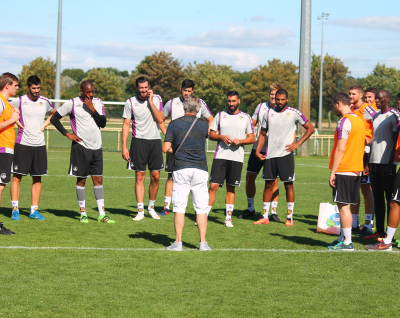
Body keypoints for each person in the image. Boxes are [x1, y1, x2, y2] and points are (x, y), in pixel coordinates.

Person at [50, 80, 115, 223]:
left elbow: (102, 123)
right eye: (88, 92)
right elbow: (54, 118)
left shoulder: (97, 102)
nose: (91, 95)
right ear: (81, 92)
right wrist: (68, 134)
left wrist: (92, 108)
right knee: (82, 180)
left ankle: (102, 215)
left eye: (92, 92)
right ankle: (83, 213)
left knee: (98, 179)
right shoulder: (72, 103)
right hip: (81, 147)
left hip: (97, 147)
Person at [255, 89, 314, 226]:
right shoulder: (268, 113)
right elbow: (262, 134)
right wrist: (258, 151)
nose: (280, 102)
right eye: (277, 99)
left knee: (288, 185)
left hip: (286, 155)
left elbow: (310, 128)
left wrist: (297, 144)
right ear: (274, 99)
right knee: (268, 184)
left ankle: (289, 217)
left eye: (282, 99)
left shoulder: (293, 113)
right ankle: (264, 216)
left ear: (287, 99)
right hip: (270, 155)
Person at [162, 95, 211, 251]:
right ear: (198, 109)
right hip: (200, 168)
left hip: (181, 168)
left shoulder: (174, 124)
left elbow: (165, 148)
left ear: (184, 107)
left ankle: (178, 242)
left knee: (179, 206)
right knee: (201, 208)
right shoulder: (204, 125)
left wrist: (175, 150)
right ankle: (203, 242)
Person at [158, 79, 213, 216]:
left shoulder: (199, 103)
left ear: (193, 91)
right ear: (180, 89)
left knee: (192, 181)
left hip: (193, 148)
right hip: (176, 149)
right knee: (171, 177)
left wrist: (204, 135)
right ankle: (166, 207)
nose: (187, 94)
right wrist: (168, 137)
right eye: (184, 91)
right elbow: (161, 120)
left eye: (189, 91)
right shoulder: (171, 103)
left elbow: (211, 119)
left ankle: (195, 209)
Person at [9, 75, 56, 220]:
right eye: (34, 88)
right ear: (28, 87)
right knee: (17, 177)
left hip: (39, 145)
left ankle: (34, 211)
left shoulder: (45, 101)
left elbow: (55, 114)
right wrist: (16, 122)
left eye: (38, 88)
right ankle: (15, 209)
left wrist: (45, 124)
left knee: (37, 178)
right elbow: (6, 110)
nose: (36, 91)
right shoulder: (20, 100)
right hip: (22, 144)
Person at [208, 91, 255, 227]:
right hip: (220, 156)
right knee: (213, 186)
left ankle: (228, 218)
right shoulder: (220, 115)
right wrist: (221, 137)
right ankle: (204, 214)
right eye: (229, 101)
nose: (231, 103)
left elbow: (252, 138)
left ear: (238, 101)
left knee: (231, 187)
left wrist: (240, 141)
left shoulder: (246, 117)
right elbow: (211, 134)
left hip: (236, 158)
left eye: (233, 101)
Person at [121, 76, 165, 221]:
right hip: (138, 142)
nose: (144, 90)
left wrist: (151, 102)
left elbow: (160, 119)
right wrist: (124, 146)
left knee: (156, 177)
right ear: (136, 88)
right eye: (141, 88)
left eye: (146, 87)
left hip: (155, 142)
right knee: (139, 176)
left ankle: (151, 208)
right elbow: (126, 125)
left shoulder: (157, 99)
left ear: (149, 87)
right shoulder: (130, 102)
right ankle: (140, 211)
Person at [327, 92, 366, 251]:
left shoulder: (344, 121)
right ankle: (342, 237)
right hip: (356, 168)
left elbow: (340, 149)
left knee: (343, 207)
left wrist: (333, 171)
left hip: (345, 169)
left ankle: (347, 242)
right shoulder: (359, 120)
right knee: (346, 205)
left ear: (338, 104)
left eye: (334, 106)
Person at [240, 83, 283, 222]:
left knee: (273, 181)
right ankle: (250, 208)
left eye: (275, 95)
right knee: (249, 177)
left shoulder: (282, 109)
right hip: (258, 148)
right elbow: (252, 124)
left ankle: (273, 212)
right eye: (271, 93)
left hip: (274, 150)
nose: (273, 96)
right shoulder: (260, 107)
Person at [363, 90, 400, 239]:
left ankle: (389, 234)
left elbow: (395, 141)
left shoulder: (394, 116)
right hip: (374, 163)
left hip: (387, 164)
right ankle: (379, 231)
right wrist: (368, 162)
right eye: (376, 98)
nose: (376, 101)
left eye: (379, 98)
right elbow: (374, 140)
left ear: (388, 99)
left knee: (391, 200)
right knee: (377, 197)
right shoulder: (376, 116)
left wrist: (390, 164)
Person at [348, 84, 376, 235]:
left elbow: (377, 127)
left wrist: (370, 143)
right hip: (354, 154)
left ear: (360, 95)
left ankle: (368, 224)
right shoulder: (351, 110)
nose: (350, 96)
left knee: (366, 189)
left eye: (353, 94)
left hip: (366, 155)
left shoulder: (366, 109)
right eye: (349, 94)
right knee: (354, 190)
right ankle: (353, 223)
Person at [0, 73, 20, 234]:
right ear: (7, 85)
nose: (17, 88)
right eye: (15, 85)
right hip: (2, 149)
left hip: (6, 148)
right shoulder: (0, 101)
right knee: (0, 187)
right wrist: (13, 120)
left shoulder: (5, 103)